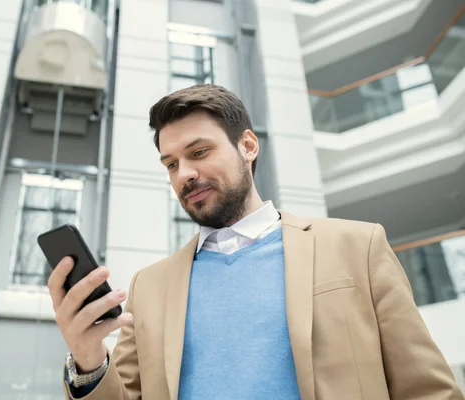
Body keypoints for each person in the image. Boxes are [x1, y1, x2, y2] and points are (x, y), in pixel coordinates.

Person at [48, 84, 464, 399]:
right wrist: (89, 360)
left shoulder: (358, 247)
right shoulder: (149, 288)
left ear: (247, 146)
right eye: (171, 163)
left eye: (199, 152)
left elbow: (428, 390)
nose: (184, 174)